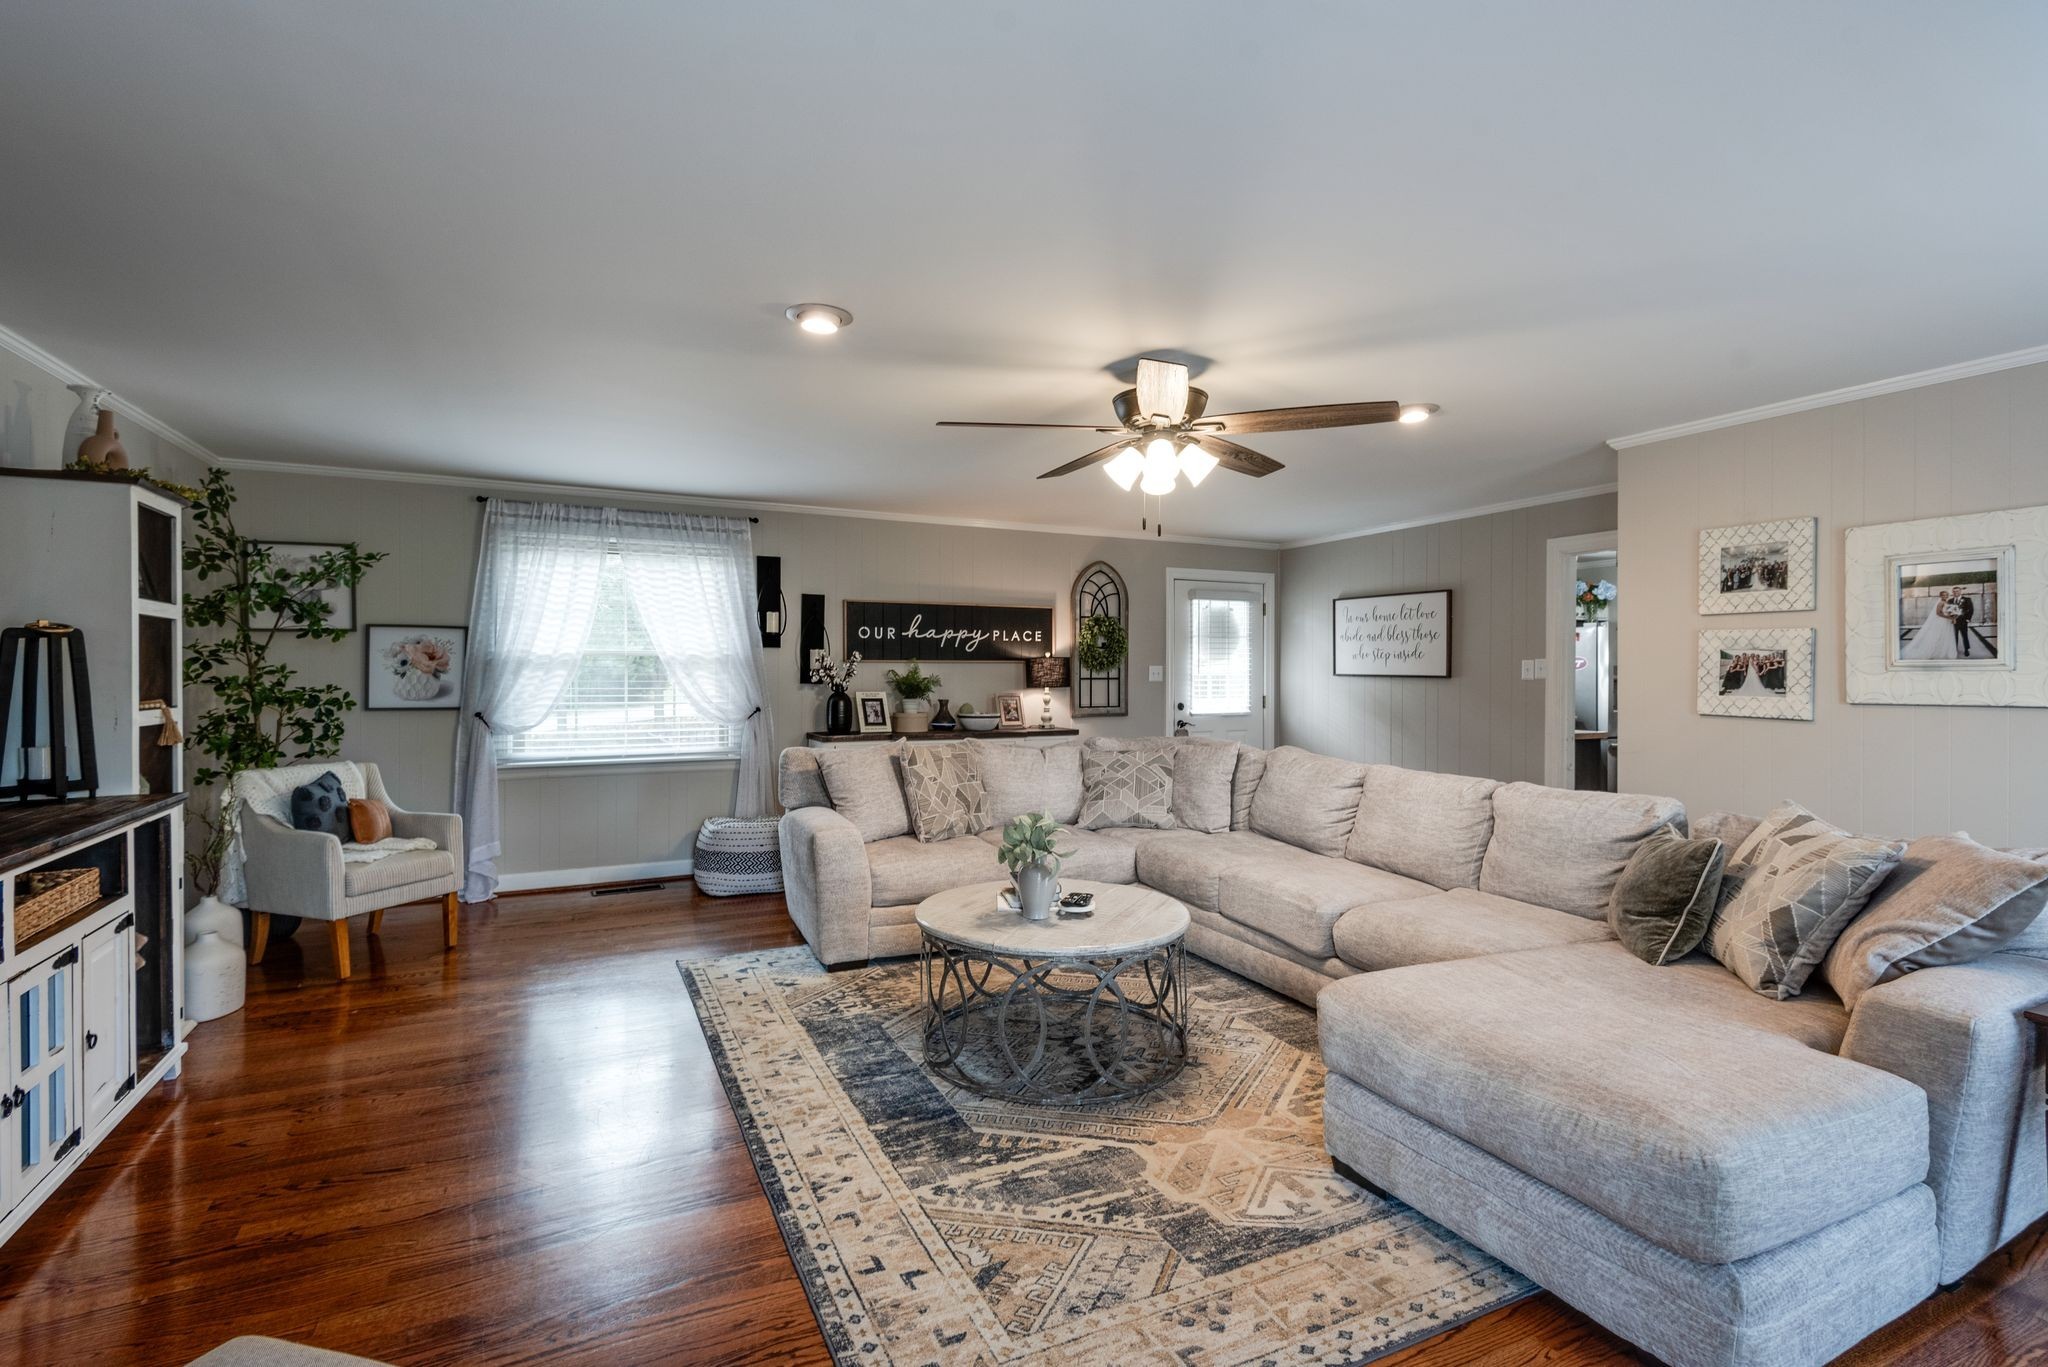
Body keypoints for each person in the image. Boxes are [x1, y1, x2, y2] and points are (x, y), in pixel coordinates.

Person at [1953, 591, 1975, 656]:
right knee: (1954, 636)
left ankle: (1966, 649)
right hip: (1953, 622)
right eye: (1954, 591)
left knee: (1965, 636)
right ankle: (1954, 649)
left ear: (1960, 592)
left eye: (1957, 591)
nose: (1955, 592)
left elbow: (1971, 609)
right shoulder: (1951, 600)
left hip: (1963, 621)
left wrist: (1968, 619)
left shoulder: (1967, 599)